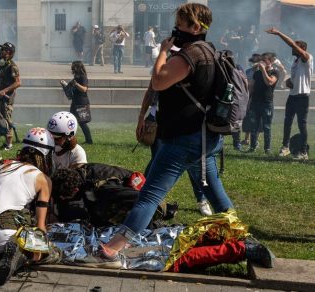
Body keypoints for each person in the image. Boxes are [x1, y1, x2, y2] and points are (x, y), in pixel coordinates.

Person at [90, 3, 235, 266]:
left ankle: (114, 247)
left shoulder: (190, 54)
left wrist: (164, 51)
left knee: (150, 194)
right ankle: (238, 235)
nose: (176, 29)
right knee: (214, 191)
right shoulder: (209, 51)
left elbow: (158, 81)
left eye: (181, 24)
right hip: (204, 137)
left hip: (183, 139)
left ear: (196, 27)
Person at [0, 127, 57, 285]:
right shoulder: (42, 179)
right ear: (46, 155)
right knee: (43, 251)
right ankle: (20, 256)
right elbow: (41, 227)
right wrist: (45, 247)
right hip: (3, 236)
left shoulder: (4, 165)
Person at [137, 84, 212, 216]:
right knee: (157, 160)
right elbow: (151, 90)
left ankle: (202, 199)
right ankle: (142, 195)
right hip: (159, 121)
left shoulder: (187, 67)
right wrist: (141, 116)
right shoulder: (164, 68)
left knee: (193, 164)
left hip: (185, 123)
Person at [51, 163, 178, 228]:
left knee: (106, 215)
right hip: (117, 196)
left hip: (141, 200)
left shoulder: (103, 188)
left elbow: (138, 198)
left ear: (75, 190)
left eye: (64, 196)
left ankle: (154, 225)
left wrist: (165, 208)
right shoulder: (82, 174)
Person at [266, 27, 313, 160]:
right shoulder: (296, 61)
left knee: (301, 124)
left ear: (301, 48)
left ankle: (303, 152)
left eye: (295, 47)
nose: (292, 49)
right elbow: (294, 80)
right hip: (293, 96)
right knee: (287, 122)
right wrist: (289, 82)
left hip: (302, 97)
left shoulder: (307, 58)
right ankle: (285, 147)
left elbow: (292, 44)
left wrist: (279, 33)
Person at [247, 53, 278, 153]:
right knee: (253, 126)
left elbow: (269, 82)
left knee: (267, 127)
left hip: (267, 103)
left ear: (270, 61)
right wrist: (248, 101)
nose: (262, 62)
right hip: (255, 102)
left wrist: (263, 70)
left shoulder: (274, 72)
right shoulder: (257, 73)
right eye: (261, 60)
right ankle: (252, 147)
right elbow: (252, 87)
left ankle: (267, 148)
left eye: (265, 60)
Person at [66, 61, 93, 144]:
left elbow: (84, 89)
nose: (72, 68)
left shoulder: (83, 77)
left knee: (82, 122)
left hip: (81, 103)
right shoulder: (76, 76)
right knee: (70, 120)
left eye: (73, 66)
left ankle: (89, 140)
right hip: (75, 102)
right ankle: (68, 139)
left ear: (77, 67)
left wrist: (76, 84)